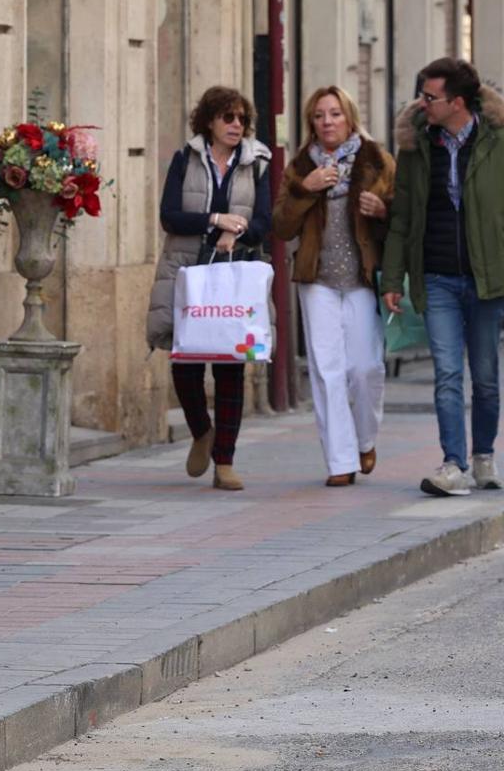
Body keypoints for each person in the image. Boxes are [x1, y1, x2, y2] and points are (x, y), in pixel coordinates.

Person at [382, 57, 504, 497]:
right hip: (437, 278)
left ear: (457, 102)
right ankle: (453, 463)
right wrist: (393, 279)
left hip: (488, 279)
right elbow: (402, 218)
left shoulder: (497, 141)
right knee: (448, 373)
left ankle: (483, 455)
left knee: (486, 376)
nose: (422, 104)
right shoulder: (416, 147)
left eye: (430, 97)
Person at [146, 85, 272, 491]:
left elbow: (265, 221)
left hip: (235, 272)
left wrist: (240, 232)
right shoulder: (187, 158)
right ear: (210, 122)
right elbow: (170, 216)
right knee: (184, 362)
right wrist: (216, 219)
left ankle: (225, 462)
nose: (236, 125)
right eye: (227, 118)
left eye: (241, 119)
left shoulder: (257, 163)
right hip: (188, 271)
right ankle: (202, 430)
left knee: (231, 365)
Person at [273, 86, 395, 486]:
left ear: (349, 118)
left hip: (361, 280)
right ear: (311, 122)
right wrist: (304, 191)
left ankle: (365, 440)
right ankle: (339, 463)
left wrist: (382, 211)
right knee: (327, 372)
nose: (327, 122)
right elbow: (281, 226)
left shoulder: (376, 160)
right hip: (317, 279)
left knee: (365, 368)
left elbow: (402, 217)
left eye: (335, 114)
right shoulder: (299, 167)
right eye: (320, 116)